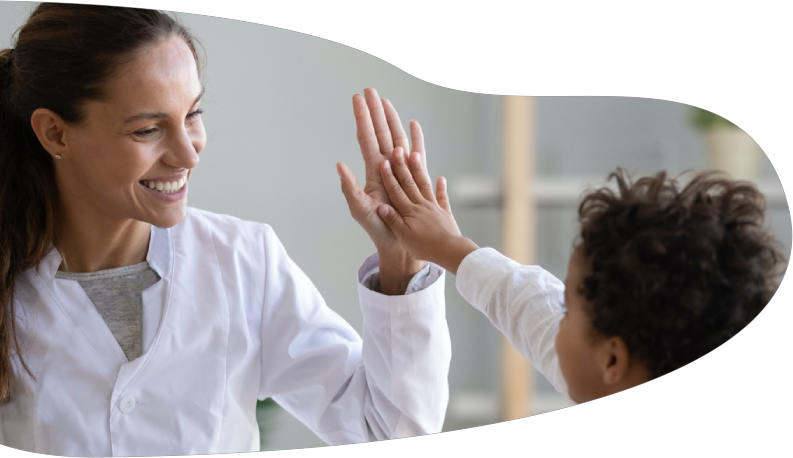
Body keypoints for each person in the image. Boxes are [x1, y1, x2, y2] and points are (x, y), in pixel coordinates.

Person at [0, 1, 451, 457]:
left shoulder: (242, 262)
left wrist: (402, 262)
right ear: (55, 133)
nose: (188, 154)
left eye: (192, 114)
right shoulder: (11, 281)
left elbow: (394, 438)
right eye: (148, 130)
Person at [356, 134, 789, 457]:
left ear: (613, 360)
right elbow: (533, 306)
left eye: (569, 312)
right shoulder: (667, 401)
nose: (555, 318)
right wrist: (452, 248)